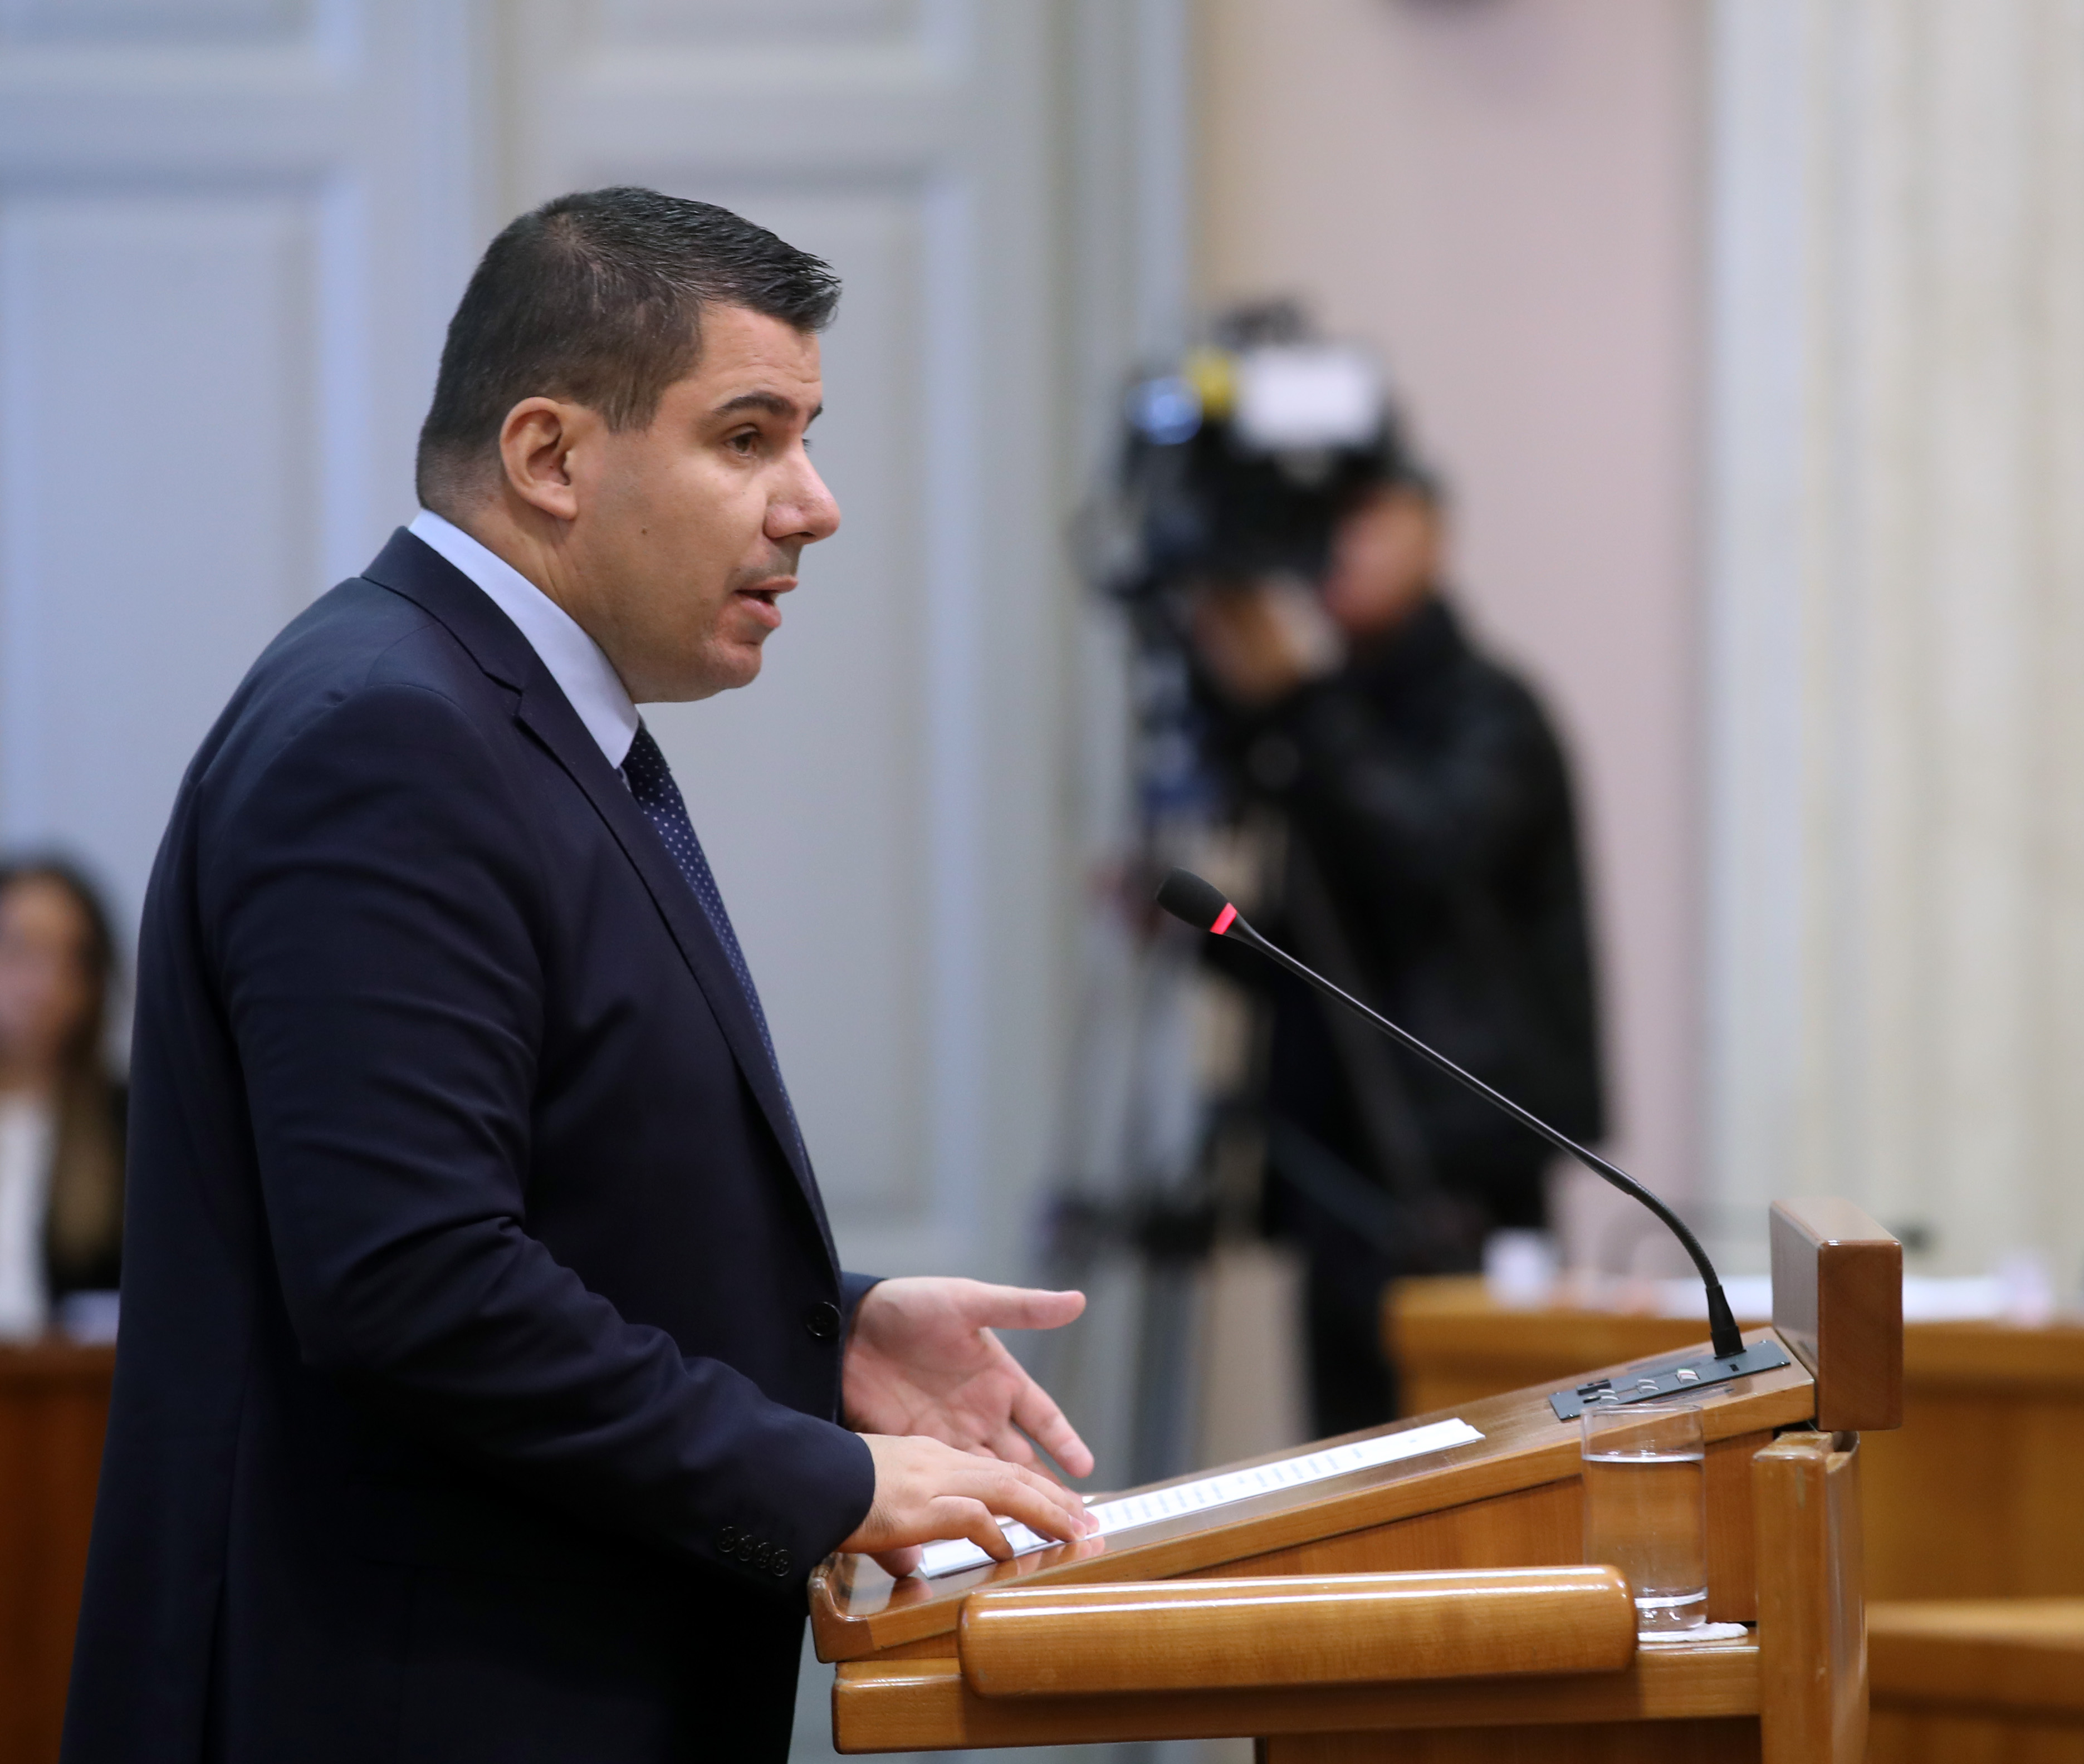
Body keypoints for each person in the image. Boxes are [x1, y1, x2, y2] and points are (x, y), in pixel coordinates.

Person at [63, 189, 1096, 1763]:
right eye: (747, 438)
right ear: (549, 457)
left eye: (805, 439)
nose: (815, 505)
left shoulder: (500, 717)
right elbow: (414, 1285)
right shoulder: (388, 737)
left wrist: (820, 1333)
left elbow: (541, 1198)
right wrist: (821, 1477)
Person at [1188, 473, 1603, 1434]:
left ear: (1434, 535)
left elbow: (1428, 854)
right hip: (1336, 1159)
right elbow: (1314, 962)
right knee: (1347, 1451)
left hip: (1458, 1162)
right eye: (1326, 523)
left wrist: (1297, 700)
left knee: (1478, 1449)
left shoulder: (1489, 711)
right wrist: (1195, 928)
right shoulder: (1323, 714)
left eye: (1369, 520)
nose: (1343, 547)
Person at [0, 858, 126, 1336]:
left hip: (67, 1380)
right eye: (20, 949)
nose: (43, 983)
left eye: (71, 958)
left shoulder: (126, 1124)